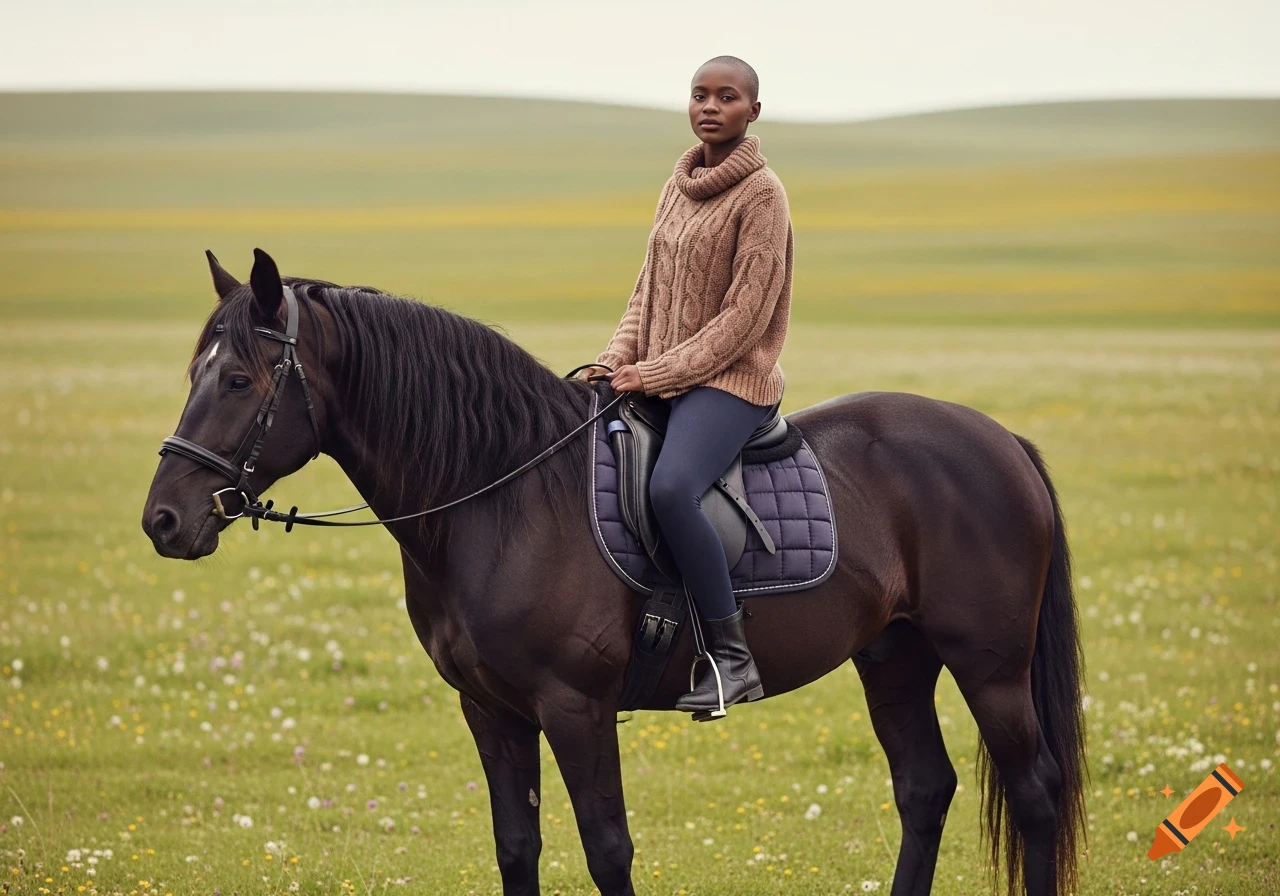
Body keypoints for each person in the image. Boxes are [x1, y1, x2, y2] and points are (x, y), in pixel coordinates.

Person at [577, 55, 793, 716]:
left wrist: (656, 373)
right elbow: (647, 292)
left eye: (727, 97)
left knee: (671, 488)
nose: (710, 106)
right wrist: (614, 359)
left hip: (731, 382)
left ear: (752, 110)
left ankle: (732, 659)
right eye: (700, 94)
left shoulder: (762, 195)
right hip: (662, 373)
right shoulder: (677, 185)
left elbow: (742, 320)